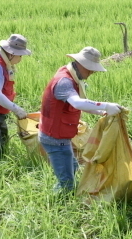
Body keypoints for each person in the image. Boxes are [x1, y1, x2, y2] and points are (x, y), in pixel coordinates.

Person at [39, 46, 121, 191]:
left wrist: (102, 111)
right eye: (90, 69)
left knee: (73, 166)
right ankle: (59, 200)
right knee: (66, 183)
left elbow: (80, 104)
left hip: (60, 136)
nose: (92, 72)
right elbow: (77, 103)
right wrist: (107, 105)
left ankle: (64, 192)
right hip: (55, 139)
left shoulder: (73, 77)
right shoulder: (64, 81)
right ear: (81, 64)